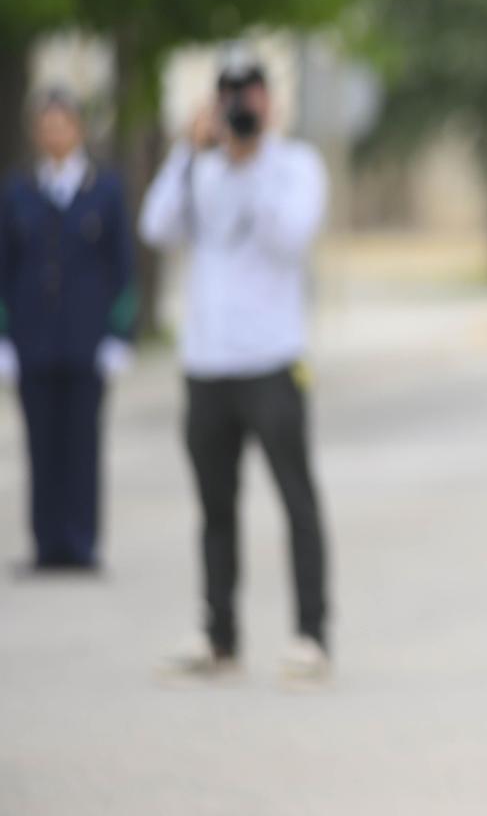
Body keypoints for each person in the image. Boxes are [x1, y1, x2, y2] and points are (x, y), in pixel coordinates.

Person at [139, 60, 331, 681]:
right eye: (229, 99)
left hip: (273, 360)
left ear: (269, 101)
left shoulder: (295, 166)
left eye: (249, 96)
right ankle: (219, 634)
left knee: (295, 500)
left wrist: (251, 164)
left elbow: (290, 237)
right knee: (214, 506)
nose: (240, 110)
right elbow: (157, 227)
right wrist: (188, 155)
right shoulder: (201, 167)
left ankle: (311, 635)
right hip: (207, 362)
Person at [0, 89, 136, 572]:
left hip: (85, 340)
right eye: (46, 125)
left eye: (62, 124)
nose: (54, 133)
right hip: (34, 342)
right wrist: (4, 336)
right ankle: (46, 544)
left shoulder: (104, 189)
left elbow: (123, 265)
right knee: (40, 445)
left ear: (77, 129)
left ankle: (81, 541)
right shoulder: (19, 191)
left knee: (82, 443)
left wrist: (121, 334)